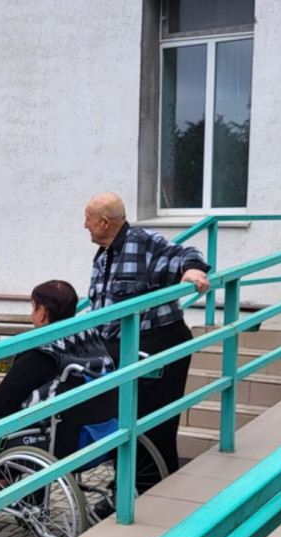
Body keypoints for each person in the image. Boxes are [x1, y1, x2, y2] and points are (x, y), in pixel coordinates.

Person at [84, 192, 210, 489]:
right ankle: (126, 487)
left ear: (105, 222)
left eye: (88, 219)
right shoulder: (104, 254)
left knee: (153, 425)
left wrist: (193, 270)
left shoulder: (142, 242)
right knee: (120, 422)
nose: (85, 225)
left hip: (157, 342)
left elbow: (186, 254)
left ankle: (149, 489)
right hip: (121, 347)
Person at [0, 280, 117, 459]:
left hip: (58, 443)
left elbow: (0, 403)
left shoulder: (42, 352)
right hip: (99, 434)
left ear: (41, 312)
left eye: (33, 308)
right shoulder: (93, 339)